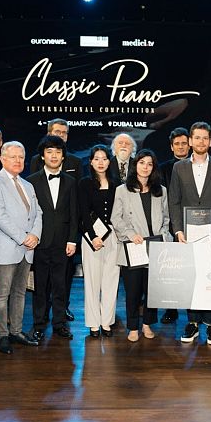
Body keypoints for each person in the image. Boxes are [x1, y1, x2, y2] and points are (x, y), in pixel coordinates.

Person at [168, 121, 211, 345]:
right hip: (187, 233)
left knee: (210, 277)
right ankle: (192, 323)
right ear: (191, 141)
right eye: (197, 138)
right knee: (190, 278)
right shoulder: (179, 167)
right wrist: (177, 229)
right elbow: (173, 201)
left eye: (205, 138)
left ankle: (210, 324)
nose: (201, 142)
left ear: (210, 142)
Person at [0, 141, 42, 354]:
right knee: (1, 295)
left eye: (21, 157)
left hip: (27, 250)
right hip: (6, 249)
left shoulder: (27, 185)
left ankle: (16, 331)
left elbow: (38, 213)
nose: (18, 161)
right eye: (13, 157)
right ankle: (2, 335)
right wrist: (24, 237)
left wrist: (35, 235)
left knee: (19, 293)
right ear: (2, 159)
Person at [111, 149, 172, 342]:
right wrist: (130, 235)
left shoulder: (161, 190)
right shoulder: (122, 190)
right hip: (133, 247)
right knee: (133, 291)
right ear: (135, 165)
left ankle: (147, 324)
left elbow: (166, 218)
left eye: (149, 164)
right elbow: (116, 218)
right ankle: (132, 327)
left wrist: (163, 237)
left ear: (153, 168)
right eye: (141, 163)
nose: (145, 167)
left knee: (152, 290)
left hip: (155, 247)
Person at [27, 135, 78, 341]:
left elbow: (74, 213)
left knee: (60, 286)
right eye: (49, 151)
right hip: (40, 242)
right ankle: (39, 324)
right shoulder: (31, 182)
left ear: (63, 157)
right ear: (42, 156)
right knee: (40, 287)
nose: (54, 155)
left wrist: (72, 240)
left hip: (63, 243)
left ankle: (59, 324)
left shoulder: (71, 181)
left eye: (58, 152)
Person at [78, 144, 119, 338]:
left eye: (104, 158)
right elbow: (84, 212)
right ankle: (94, 324)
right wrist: (93, 236)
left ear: (109, 162)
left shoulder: (117, 183)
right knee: (92, 283)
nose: (100, 162)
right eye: (96, 159)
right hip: (90, 238)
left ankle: (107, 322)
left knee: (111, 281)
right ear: (91, 162)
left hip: (113, 237)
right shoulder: (85, 183)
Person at [159, 127, 190, 324]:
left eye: (184, 143)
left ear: (190, 145)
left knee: (190, 267)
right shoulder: (163, 168)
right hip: (170, 222)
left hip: (194, 222)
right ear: (171, 147)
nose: (180, 147)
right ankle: (171, 308)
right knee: (171, 267)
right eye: (177, 144)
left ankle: (192, 309)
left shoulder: (198, 165)